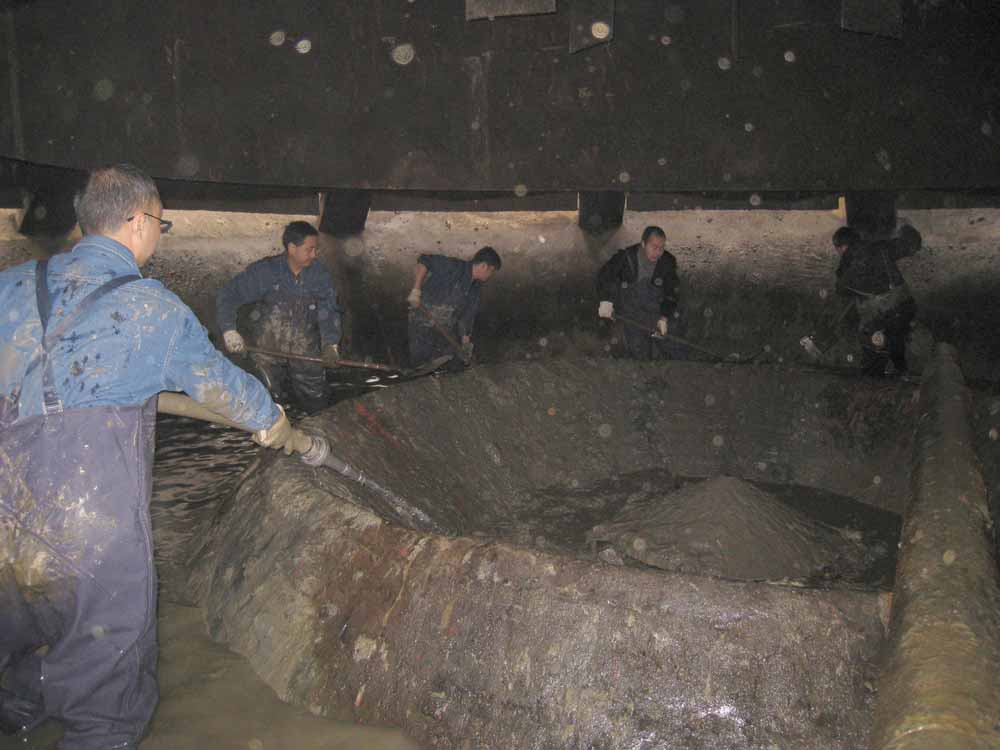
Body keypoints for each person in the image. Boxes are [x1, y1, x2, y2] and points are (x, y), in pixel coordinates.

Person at [0, 164, 299, 749]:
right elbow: (218, 385)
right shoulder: (147, 307)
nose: (159, 235)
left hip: (6, 511)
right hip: (87, 519)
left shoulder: (11, 285)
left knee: (19, 636)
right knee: (108, 680)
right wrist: (273, 421)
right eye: (162, 224)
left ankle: (20, 717)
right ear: (138, 222)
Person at [216, 221, 342, 413]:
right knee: (266, 402)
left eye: (315, 249)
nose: (314, 255)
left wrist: (330, 344)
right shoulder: (265, 271)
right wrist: (229, 331)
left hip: (305, 351)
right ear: (292, 248)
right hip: (266, 351)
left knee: (316, 402)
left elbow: (329, 310)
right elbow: (228, 295)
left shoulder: (319, 274)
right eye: (309, 249)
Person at [833, 222, 921, 376]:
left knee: (869, 336)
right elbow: (911, 245)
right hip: (905, 305)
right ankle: (901, 368)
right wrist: (905, 228)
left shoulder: (845, 269)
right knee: (894, 333)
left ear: (842, 247)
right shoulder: (879, 247)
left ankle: (876, 371)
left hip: (882, 316)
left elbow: (840, 290)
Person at [596, 225, 684, 360]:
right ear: (643, 244)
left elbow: (671, 292)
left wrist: (664, 317)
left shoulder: (668, 261)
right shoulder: (626, 258)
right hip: (632, 314)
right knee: (639, 355)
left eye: (661, 248)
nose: (658, 252)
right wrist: (606, 301)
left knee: (673, 349)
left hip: (655, 312)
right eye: (654, 247)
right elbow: (604, 276)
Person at [405, 246, 501, 368]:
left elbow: (468, 316)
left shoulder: (475, 288)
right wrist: (416, 290)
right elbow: (424, 260)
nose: (490, 275)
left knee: (448, 360)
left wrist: (465, 343)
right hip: (423, 318)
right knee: (420, 362)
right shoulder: (454, 266)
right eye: (491, 271)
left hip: (444, 326)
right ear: (483, 266)